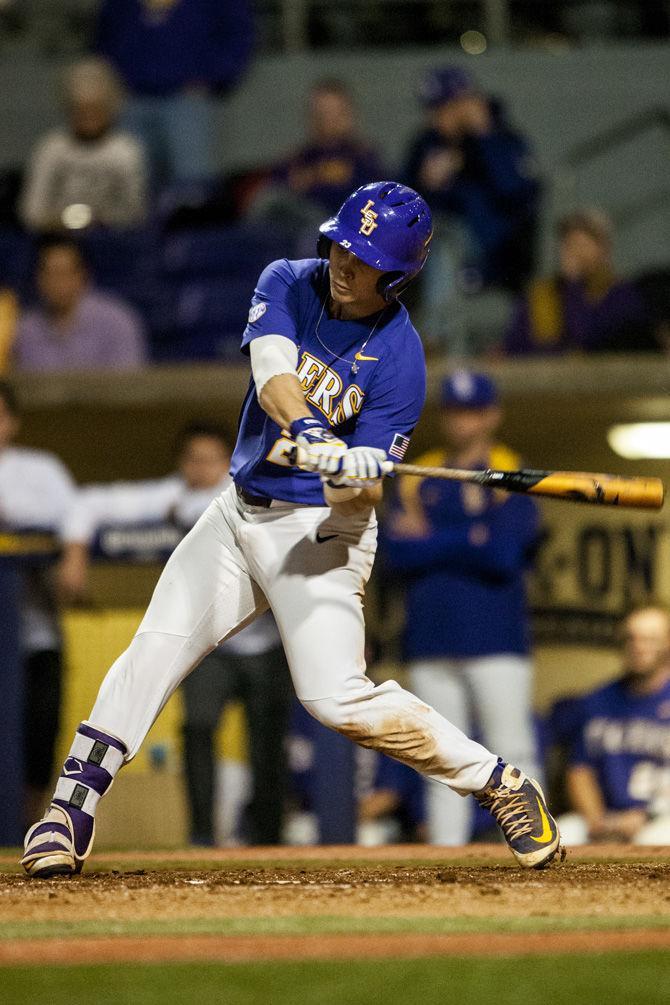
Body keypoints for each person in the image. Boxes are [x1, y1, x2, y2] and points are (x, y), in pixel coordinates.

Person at [22, 181, 563, 879]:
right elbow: (273, 370)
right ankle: (68, 809)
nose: (343, 258)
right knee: (151, 652)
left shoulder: (401, 358)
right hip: (239, 510)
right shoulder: (287, 280)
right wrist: (314, 430)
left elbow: (361, 500)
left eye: (362, 255)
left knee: (334, 697)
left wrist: (356, 467)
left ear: (395, 275)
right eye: (342, 241)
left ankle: (496, 781)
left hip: (323, 533)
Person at [58, 422, 292, 847]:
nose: (202, 469)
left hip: (264, 641)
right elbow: (88, 502)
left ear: (230, 457)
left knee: (268, 746)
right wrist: (75, 551)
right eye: (193, 460)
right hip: (208, 647)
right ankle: (202, 835)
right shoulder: (175, 496)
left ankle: (269, 839)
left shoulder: (257, 487)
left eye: (211, 460)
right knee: (199, 731)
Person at [382, 370, 542, 845]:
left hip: (497, 638)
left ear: (492, 415)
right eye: (454, 411)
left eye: (472, 411)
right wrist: (471, 534)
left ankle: (537, 841)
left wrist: (432, 538)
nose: (462, 422)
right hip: (430, 636)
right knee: (439, 758)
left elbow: (504, 555)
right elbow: (396, 555)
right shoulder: (422, 472)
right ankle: (445, 857)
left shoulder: (513, 468)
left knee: (513, 747)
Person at [0, 381, 77, 826]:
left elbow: (76, 515)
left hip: (35, 631)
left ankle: (32, 828)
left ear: (12, 420)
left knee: (37, 738)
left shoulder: (40, 470)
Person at [404, 66, 540, 293]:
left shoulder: (503, 140)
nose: (436, 117)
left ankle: (440, 330)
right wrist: (423, 185)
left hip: (499, 251)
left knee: (445, 245)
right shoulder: (426, 144)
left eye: (444, 108)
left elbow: (519, 193)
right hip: (435, 247)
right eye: (432, 110)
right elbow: (400, 200)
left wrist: (484, 135)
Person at [95, 0, 255, 186]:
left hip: (189, 102)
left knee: (192, 188)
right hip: (131, 100)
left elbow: (239, 35)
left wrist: (214, 77)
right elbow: (104, 36)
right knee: (130, 186)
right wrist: (109, 83)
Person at [560, 605, 670, 845]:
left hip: (661, 819)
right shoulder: (596, 701)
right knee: (556, 837)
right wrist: (596, 819)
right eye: (632, 638)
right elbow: (580, 770)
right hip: (606, 818)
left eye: (651, 639)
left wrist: (647, 815)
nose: (639, 646)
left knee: (659, 839)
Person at [19, 57, 147, 233]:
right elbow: (31, 211)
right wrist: (63, 222)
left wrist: (98, 220)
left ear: (110, 108)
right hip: (55, 239)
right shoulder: (51, 147)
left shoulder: (126, 149)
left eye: (95, 109)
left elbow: (136, 211)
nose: (88, 118)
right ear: (68, 109)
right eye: (80, 110)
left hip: (109, 239)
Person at [504, 209, 648, 354]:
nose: (575, 253)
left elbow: (587, 340)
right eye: (569, 244)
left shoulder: (622, 295)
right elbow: (517, 345)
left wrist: (574, 284)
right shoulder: (545, 294)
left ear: (604, 250)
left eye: (583, 244)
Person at [13, 238, 147, 372]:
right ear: (38, 278)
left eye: (64, 273)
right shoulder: (26, 328)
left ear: (83, 275)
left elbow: (129, 385)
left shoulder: (117, 321)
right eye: (50, 274)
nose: (58, 283)